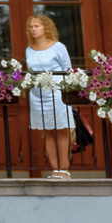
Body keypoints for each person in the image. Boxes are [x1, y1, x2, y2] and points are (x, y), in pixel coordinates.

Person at [24, 11, 76, 179]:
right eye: (31, 27)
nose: (33, 29)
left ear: (46, 28)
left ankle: (64, 170)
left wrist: (67, 89)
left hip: (57, 93)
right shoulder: (29, 50)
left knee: (61, 130)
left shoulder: (58, 47)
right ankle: (55, 170)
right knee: (47, 132)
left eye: (37, 26)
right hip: (37, 95)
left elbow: (68, 70)